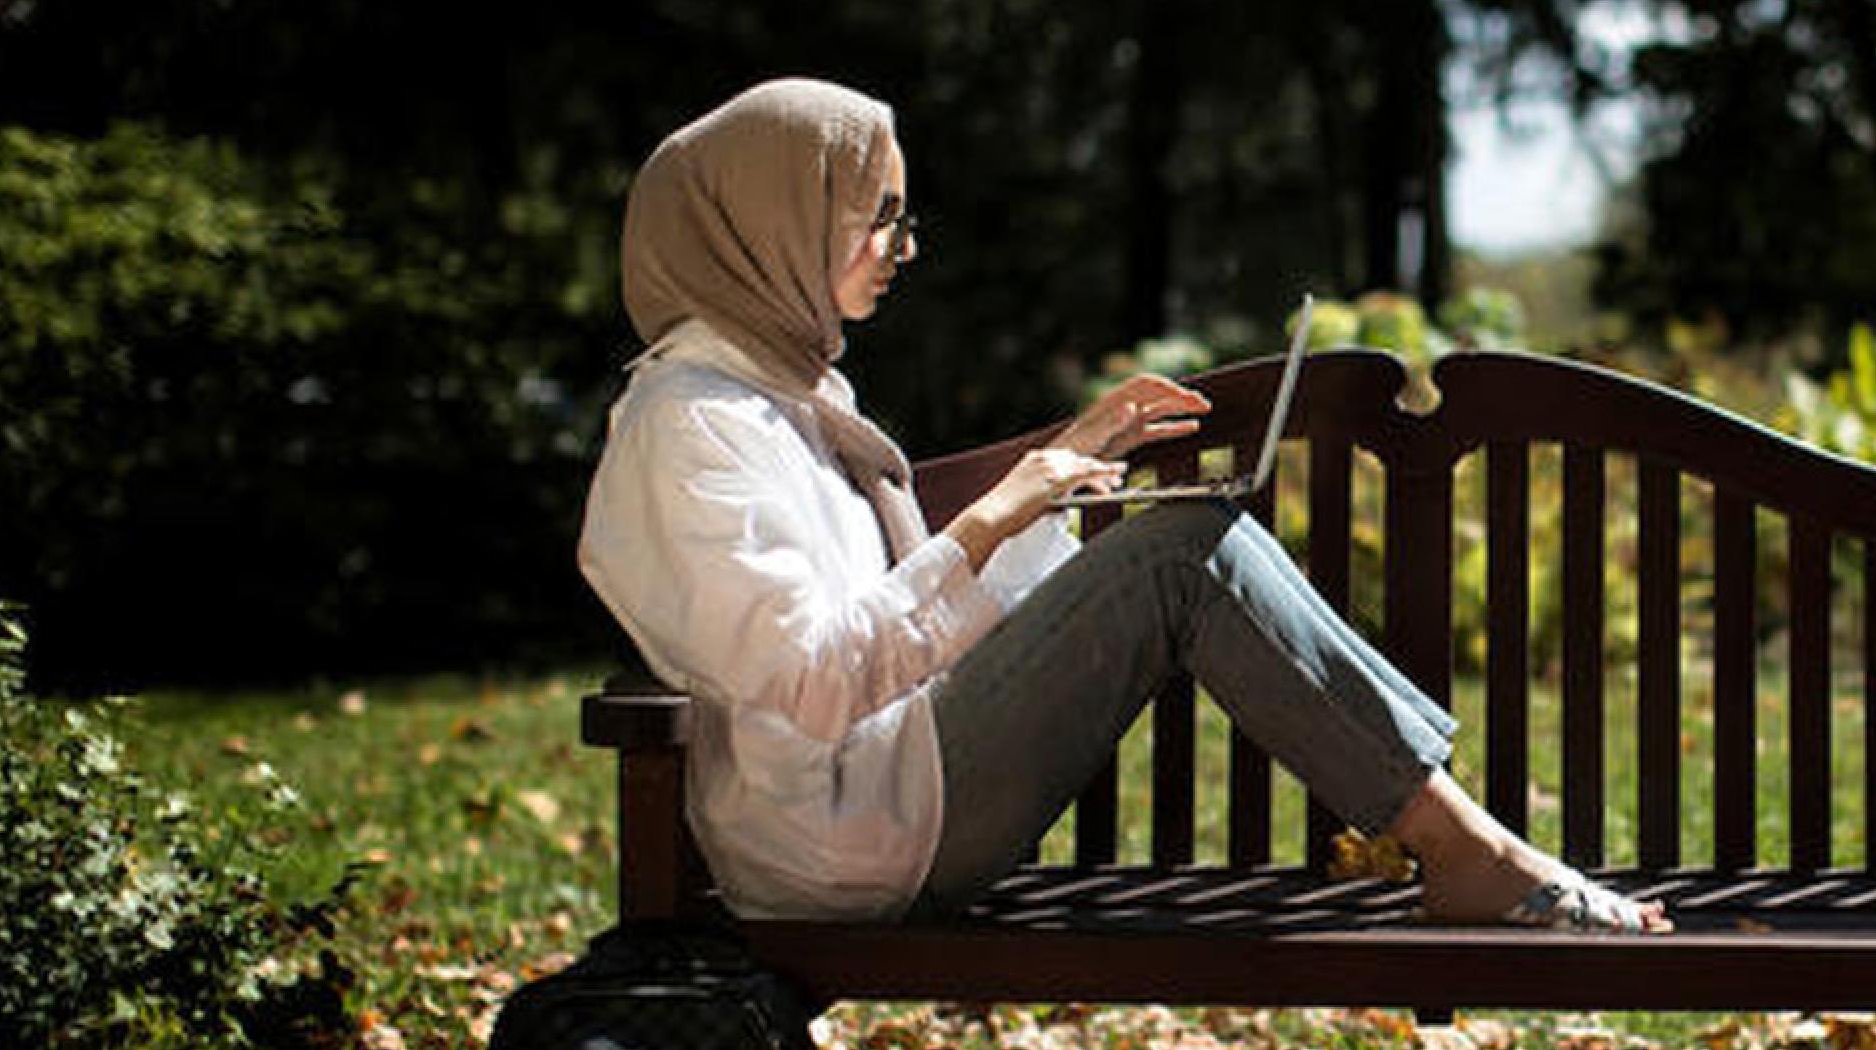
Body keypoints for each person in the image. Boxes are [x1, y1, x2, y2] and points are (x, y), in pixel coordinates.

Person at [578, 78, 1666, 933]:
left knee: (1174, 550)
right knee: (1179, 556)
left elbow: (895, 630)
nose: (902, 249)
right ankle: (1468, 852)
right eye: (878, 218)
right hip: (844, 838)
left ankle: (1463, 844)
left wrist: (1066, 474)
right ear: (777, 219)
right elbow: (813, 680)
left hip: (890, 786)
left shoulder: (779, 398)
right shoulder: (693, 425)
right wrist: (999, 513)